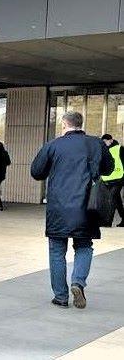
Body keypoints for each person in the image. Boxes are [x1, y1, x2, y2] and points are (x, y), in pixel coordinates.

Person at [31, 111, 114, 309]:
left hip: (58, 206)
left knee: (57, 250)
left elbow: (36, 172)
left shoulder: (53, 145)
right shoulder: (96, 144)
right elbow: (109, 168)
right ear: (81, 124)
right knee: (84, 246)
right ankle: (78, 282)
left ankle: (60, 296)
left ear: (63, 125)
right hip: (87, 205)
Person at [101, 134, 124, 227]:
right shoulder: (104, 150)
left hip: (119, 178)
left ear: (110, 140)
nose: (104, 143)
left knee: (111, 199)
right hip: (109, 179)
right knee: (117, 200)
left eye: (105, 141)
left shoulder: (120, 149)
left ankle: (108, 221)